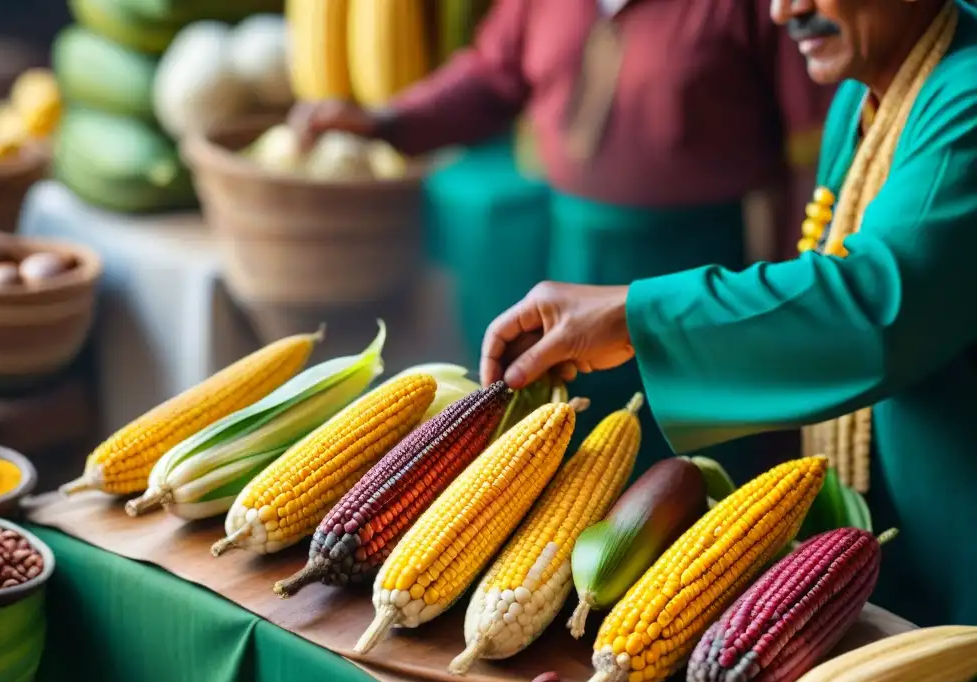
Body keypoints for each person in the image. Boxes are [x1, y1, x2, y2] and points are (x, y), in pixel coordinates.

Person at [479, 0, 977, 628]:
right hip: (885, 539)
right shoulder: (860, 95)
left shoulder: (967, 96)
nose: (783, 11)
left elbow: (877, 307)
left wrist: (634, 315)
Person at [291, 0, 834, 482]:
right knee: (575, 459)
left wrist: (793, 287)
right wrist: (385, 121)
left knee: (687, 476)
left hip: (698, 270)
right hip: (571, 252)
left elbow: (811, 145)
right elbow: (490, 76)